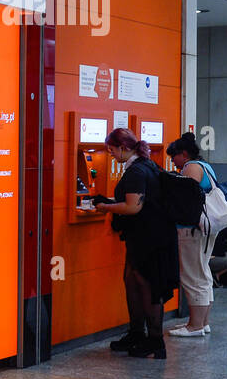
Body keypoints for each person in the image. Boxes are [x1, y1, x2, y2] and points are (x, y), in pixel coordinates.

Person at [92, 128, 178, 359]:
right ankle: (137, 333)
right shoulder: (145, 165)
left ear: (123, 148)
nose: (110, 155)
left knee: (147, 285)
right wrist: (109, 202)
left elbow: (133, 207)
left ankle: (155, 341)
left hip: (150, 238)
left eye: (112, 150)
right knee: (132, 280)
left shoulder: (137, 171)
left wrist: (105, 207)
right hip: (146, 235)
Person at [166, 132, 217, 336]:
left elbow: (187, 200)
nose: (172, 161)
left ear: (184, 154)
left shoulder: (191, 168)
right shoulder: (205, 166)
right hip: (206, 227)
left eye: (174, 156)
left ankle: (194, 326)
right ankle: (201, 322)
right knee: (203, 274)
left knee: (193, 276)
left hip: (192, 229)